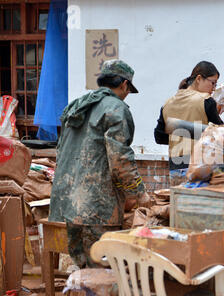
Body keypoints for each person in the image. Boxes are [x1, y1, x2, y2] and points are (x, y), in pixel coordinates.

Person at [49, 59, 152, 268]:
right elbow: (120, 159)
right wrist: (139, 192)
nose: (126, 94)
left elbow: (62, 150)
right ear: (124, 85)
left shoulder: (78, 105)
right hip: (98, 208)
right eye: (128, 90)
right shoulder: (116, 109)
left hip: (69, 204)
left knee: (83, 269)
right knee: (103, 272)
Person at [154, 61, 224, 186]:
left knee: (179, 203)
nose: (213, 89)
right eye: (213, 83)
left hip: (175, 166)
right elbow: (220, 136)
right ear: (199, 78)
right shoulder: (206, 101)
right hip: (198, 166)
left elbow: (159, 137)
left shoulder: (167, 103)